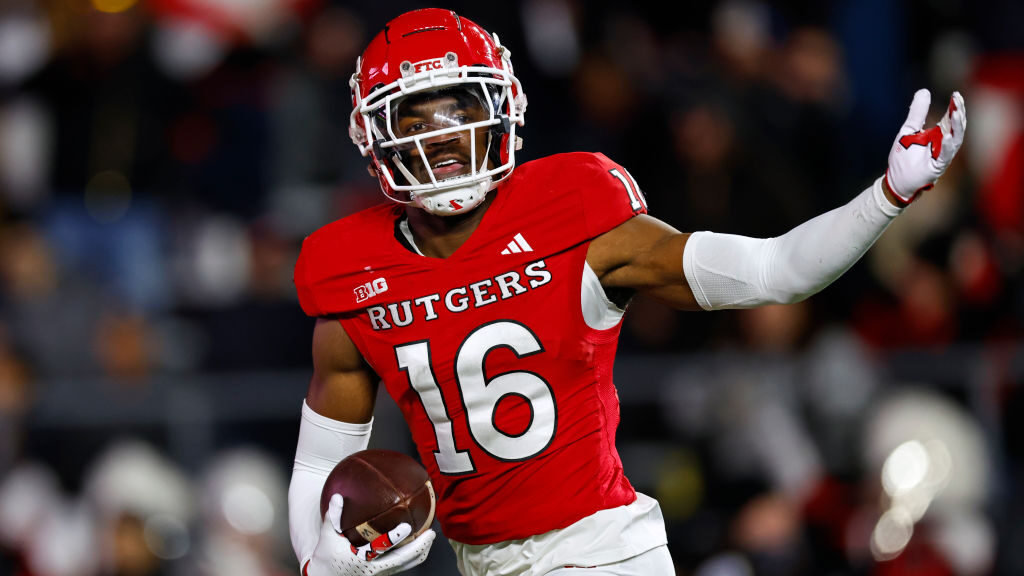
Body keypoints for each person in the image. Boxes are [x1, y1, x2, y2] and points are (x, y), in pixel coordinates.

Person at [287, 8, 966, 576]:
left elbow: (775, 270)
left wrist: (887, 194)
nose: (443, 137)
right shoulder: (348, 270)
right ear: (374, 134)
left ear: (501, 108)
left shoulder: (575, 209)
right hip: (482, 562)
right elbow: (320, 461)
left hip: (601, 553)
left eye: (458, 108)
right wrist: (319, 564)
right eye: (415, 120)